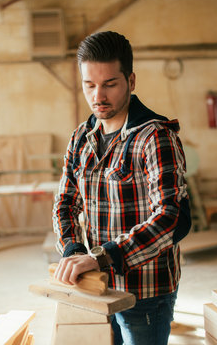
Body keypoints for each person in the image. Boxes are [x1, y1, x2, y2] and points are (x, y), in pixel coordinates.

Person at [52, 31, 191, 345]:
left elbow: (169, 218)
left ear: (131, 81)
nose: (98, 96)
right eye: (89, 85)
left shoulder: (155, 137)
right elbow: (64, 203)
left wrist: (102, 256)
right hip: (95, 283)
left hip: (146, 292)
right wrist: (74, 252)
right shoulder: (80, 139)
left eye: (110, 84)